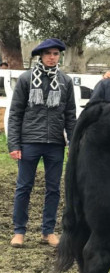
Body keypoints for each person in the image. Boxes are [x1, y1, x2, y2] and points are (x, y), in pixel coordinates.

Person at [7, 38, 77, 248]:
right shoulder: (26, 79)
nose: (52, 57)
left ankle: (48, 231)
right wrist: (14, 144)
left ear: (59, 56)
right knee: (24, 186)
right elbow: (16, 113)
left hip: (55, 142)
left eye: (55, 54)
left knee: (54, 189)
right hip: (29, 141)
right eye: (48, 54)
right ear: (41, 55)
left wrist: (72, 143)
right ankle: (19, 231)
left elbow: (70, 115)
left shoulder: (65, 81)